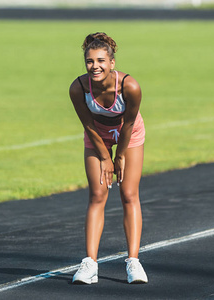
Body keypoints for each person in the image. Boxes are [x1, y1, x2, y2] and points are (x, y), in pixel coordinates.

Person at [69, 32, 148, 284]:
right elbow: (88, 124)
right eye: (90, 61)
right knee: (97, 195)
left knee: (128, 194)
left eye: (101, 61)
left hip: (129, 134)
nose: (96, 66)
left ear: (112, 62)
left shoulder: (130, 86)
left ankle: (133, 262)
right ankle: (89, 264)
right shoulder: (78, 88)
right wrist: (105, 157)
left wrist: (120, 156)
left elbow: (128, 125)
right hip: (97, 135)